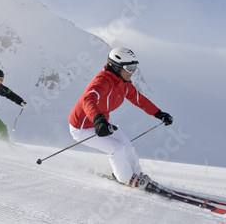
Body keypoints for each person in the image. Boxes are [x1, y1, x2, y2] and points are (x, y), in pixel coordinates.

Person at [68, 47, 173, 190]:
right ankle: (126, 178)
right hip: (82, 126)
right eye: (130, 67)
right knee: (117, 149)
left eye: (134, 67)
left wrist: (159, 113)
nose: (133, 71)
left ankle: (136, 174)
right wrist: (98, 120)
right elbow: (88, 99)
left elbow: (139, 100)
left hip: (102, 121)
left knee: (128, 146)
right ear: (117, 67)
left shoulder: (123, 84)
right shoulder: (103, 80)